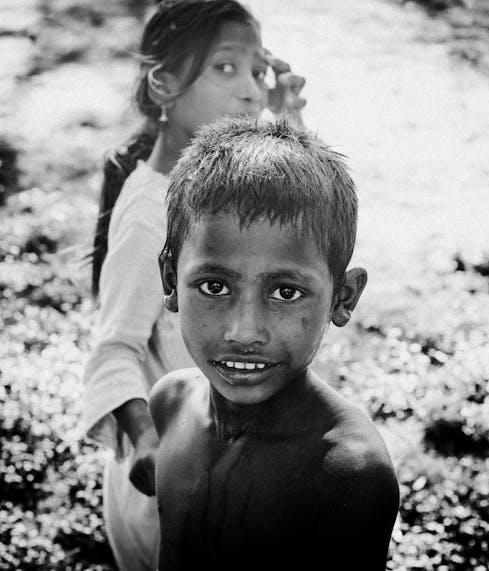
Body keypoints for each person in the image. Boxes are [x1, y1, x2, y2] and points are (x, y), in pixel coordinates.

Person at [82, 2, 306, 570]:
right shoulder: (149, 214)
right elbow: (115, 347)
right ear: (164, 84)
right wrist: (148, 439)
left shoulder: (217, 181)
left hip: (236, 456)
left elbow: (291, 217)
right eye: (225, 69)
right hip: (172, 485)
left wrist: (285, 127)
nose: (251, 90)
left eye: (258, 70)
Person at [150, 115, 400, 571]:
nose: (244, 332)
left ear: (342, 297)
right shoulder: (169, 404)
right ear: (170, 280)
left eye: (285, 292)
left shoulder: (347, 473)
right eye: (214, 287)